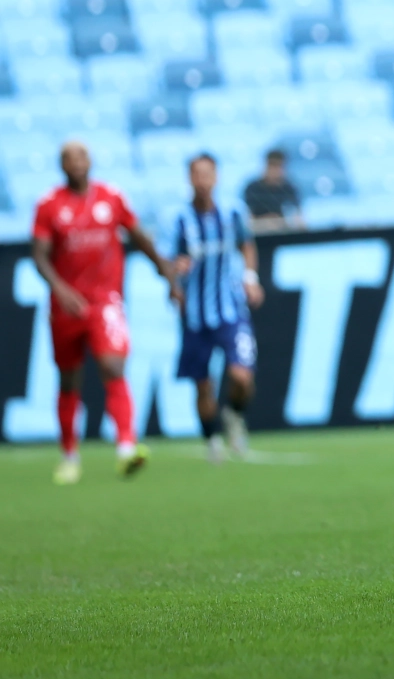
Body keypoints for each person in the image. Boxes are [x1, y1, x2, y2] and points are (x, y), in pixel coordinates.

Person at [32, 141, 180, 485]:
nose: (77, 163)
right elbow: (39, 255)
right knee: (69, 378)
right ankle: (69, 455)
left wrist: (163, 268)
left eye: (82, 157)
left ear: (90, 161)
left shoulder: (111, 197)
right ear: (61, 166)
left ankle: (126, 446)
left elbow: (138, 235)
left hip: (105, 300)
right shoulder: (49, 205)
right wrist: (60, 289)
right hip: (66, 305)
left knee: (113, 365)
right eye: (70, 159)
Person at [171, 153, 262, 464]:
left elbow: (247, 245)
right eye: (197, 174)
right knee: (203, 385)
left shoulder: (233, 212)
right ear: (189, 178)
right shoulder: (179, 219)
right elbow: (168, 261)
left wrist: (250, 278)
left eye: (208, 173)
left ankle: (234, 415)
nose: (203, 180)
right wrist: (175, 273)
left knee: (242, 376)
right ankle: (211, 439)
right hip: (196, 316)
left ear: (217, 176)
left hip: (231, 310)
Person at [242, 149, 302, 233]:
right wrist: (266, 222)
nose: (276, 171)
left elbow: (298, 219)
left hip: (285, 234)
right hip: (259, 235)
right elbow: (247, 222)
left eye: (279, 166)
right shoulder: (252, 189)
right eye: (273, 165)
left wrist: (280, 222)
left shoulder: (290, 189)